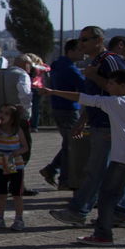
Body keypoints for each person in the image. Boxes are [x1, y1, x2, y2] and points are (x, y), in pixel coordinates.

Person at [46, 70, 125, 246]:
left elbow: (84, 98)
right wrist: (120, 135)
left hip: (124, 157)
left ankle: (103, 234)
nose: (107, 86)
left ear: (123, 86)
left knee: (107, 195)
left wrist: (53, 92)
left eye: (112, 83)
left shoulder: (116, 102)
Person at [52, 27, 125, 228]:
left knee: (95, 170)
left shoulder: (108, 61)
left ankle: (78, 211)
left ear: (99, 40)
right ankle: (122, 213)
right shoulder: (96, 62)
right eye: (80, 40)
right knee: (108, 171)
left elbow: (120, 93)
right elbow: (97, 98)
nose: (81, 45)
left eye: (85, 40)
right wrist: (83, 121)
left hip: (108, 124)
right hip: (100, 122)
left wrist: (94, 76)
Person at [40, 39, 84, 189]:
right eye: (79, 49)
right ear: (70, 51)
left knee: (69, 144)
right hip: (69, 109)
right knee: (73, 145)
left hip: (58, 107)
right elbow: (84, 86)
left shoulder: (57, 64)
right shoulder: (70, 69)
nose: (82, 52)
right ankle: (64, 179)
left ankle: (52, 169)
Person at [0, 104, 30, 231]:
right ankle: (0, 218)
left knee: (17, 194)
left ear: (12, 118)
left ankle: (19, 219)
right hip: (1, 165)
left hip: (16, 166)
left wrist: (16, 153)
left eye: (6, 114)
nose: (2, 115)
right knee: (1, 193)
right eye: (1, 112)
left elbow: (25, 147)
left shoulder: (17, 130)